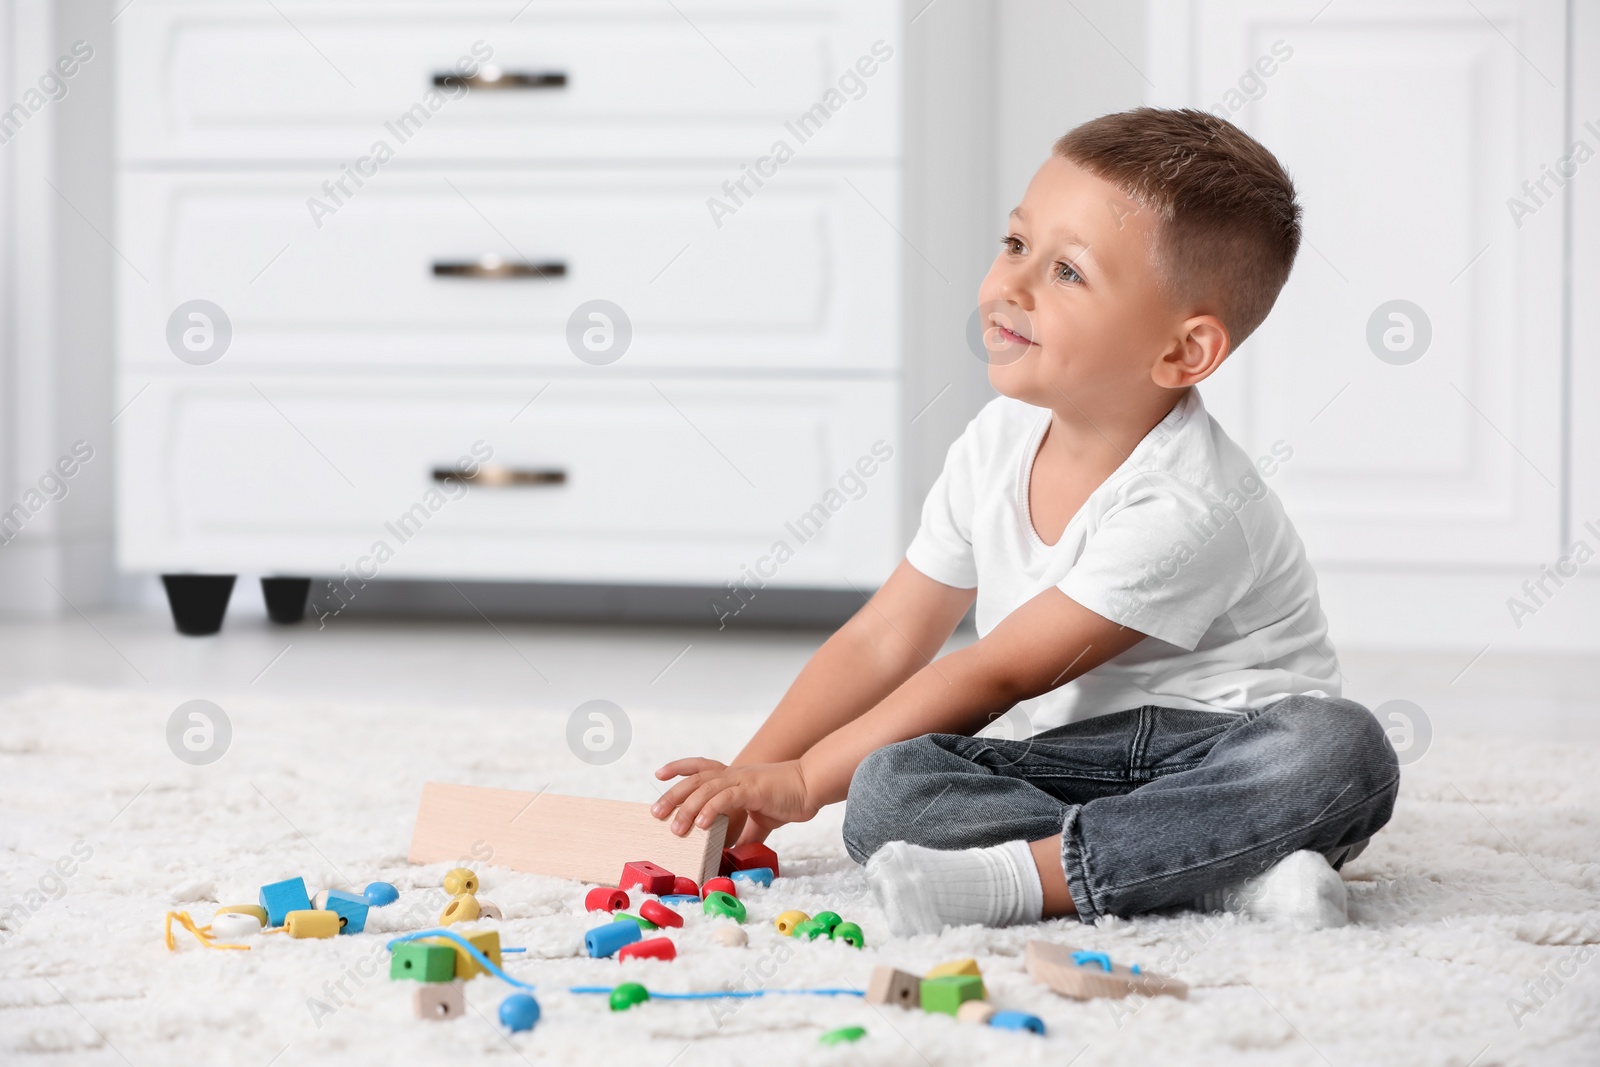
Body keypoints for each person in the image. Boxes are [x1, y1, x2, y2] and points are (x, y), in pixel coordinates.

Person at [651, 107, 1399, 933]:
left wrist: (802, 784)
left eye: (1068, 273)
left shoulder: (1190, 500)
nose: (1012, 284)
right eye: (1015, 244)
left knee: (1340, 751)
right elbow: (887, 636)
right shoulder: (996, 440)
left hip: (1224, 752)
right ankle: (1216, 874)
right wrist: (757, 777)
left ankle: (1032, 879)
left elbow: (998, 673)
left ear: (1183, 353)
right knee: (888, 785)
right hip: (1067, 765)